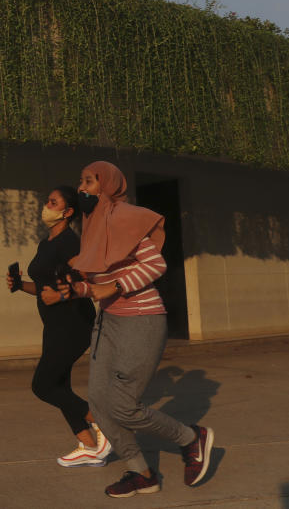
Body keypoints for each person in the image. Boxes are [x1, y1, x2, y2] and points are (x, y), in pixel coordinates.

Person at [49, 161, 214, 498]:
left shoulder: (124, 218)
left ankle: (190, 438)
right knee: (99, 401)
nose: (82, 188)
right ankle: (141, 473)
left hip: (142, 320)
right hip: (108, 322)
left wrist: (118, 286)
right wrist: (74, 290)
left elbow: (156, 264)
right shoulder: (93, 225)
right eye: (80, 181)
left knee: (123, 405)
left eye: (89, 182)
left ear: (107, 185)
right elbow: (97, 284)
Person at [7, 186, 112, 468]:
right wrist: (20, 286)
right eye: (47, 200)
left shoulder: (69, 242)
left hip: (74, 324)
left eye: (53, 202)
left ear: (67, 212)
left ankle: (103, 424)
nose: (46, 205)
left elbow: (90, 280)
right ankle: (89, 446)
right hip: (53, 324)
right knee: (59, 385)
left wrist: (64, 294)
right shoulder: (47, 243)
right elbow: (44, 289)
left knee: (42, 385)